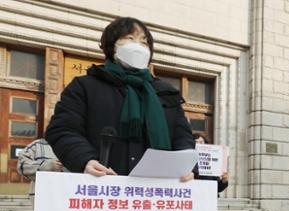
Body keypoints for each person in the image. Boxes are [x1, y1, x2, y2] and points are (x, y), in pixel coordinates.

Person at [45, 17, 194, 180]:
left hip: (158, 192)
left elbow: (183, 137)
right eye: (130, 38)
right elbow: (62, 130)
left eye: (144, 42)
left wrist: (187, 168)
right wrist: (85, 160)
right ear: (112, 45)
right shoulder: (85, 87)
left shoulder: (165, 92)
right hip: (102, 187)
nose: (138, 46)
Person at [194, 134, 229, 211]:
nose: (199, 144)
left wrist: (224, 181)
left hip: (209, 203)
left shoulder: (213, 165)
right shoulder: (188, 161)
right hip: (193, 201)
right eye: (196, 141)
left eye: (201, 142)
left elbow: (218, 188)